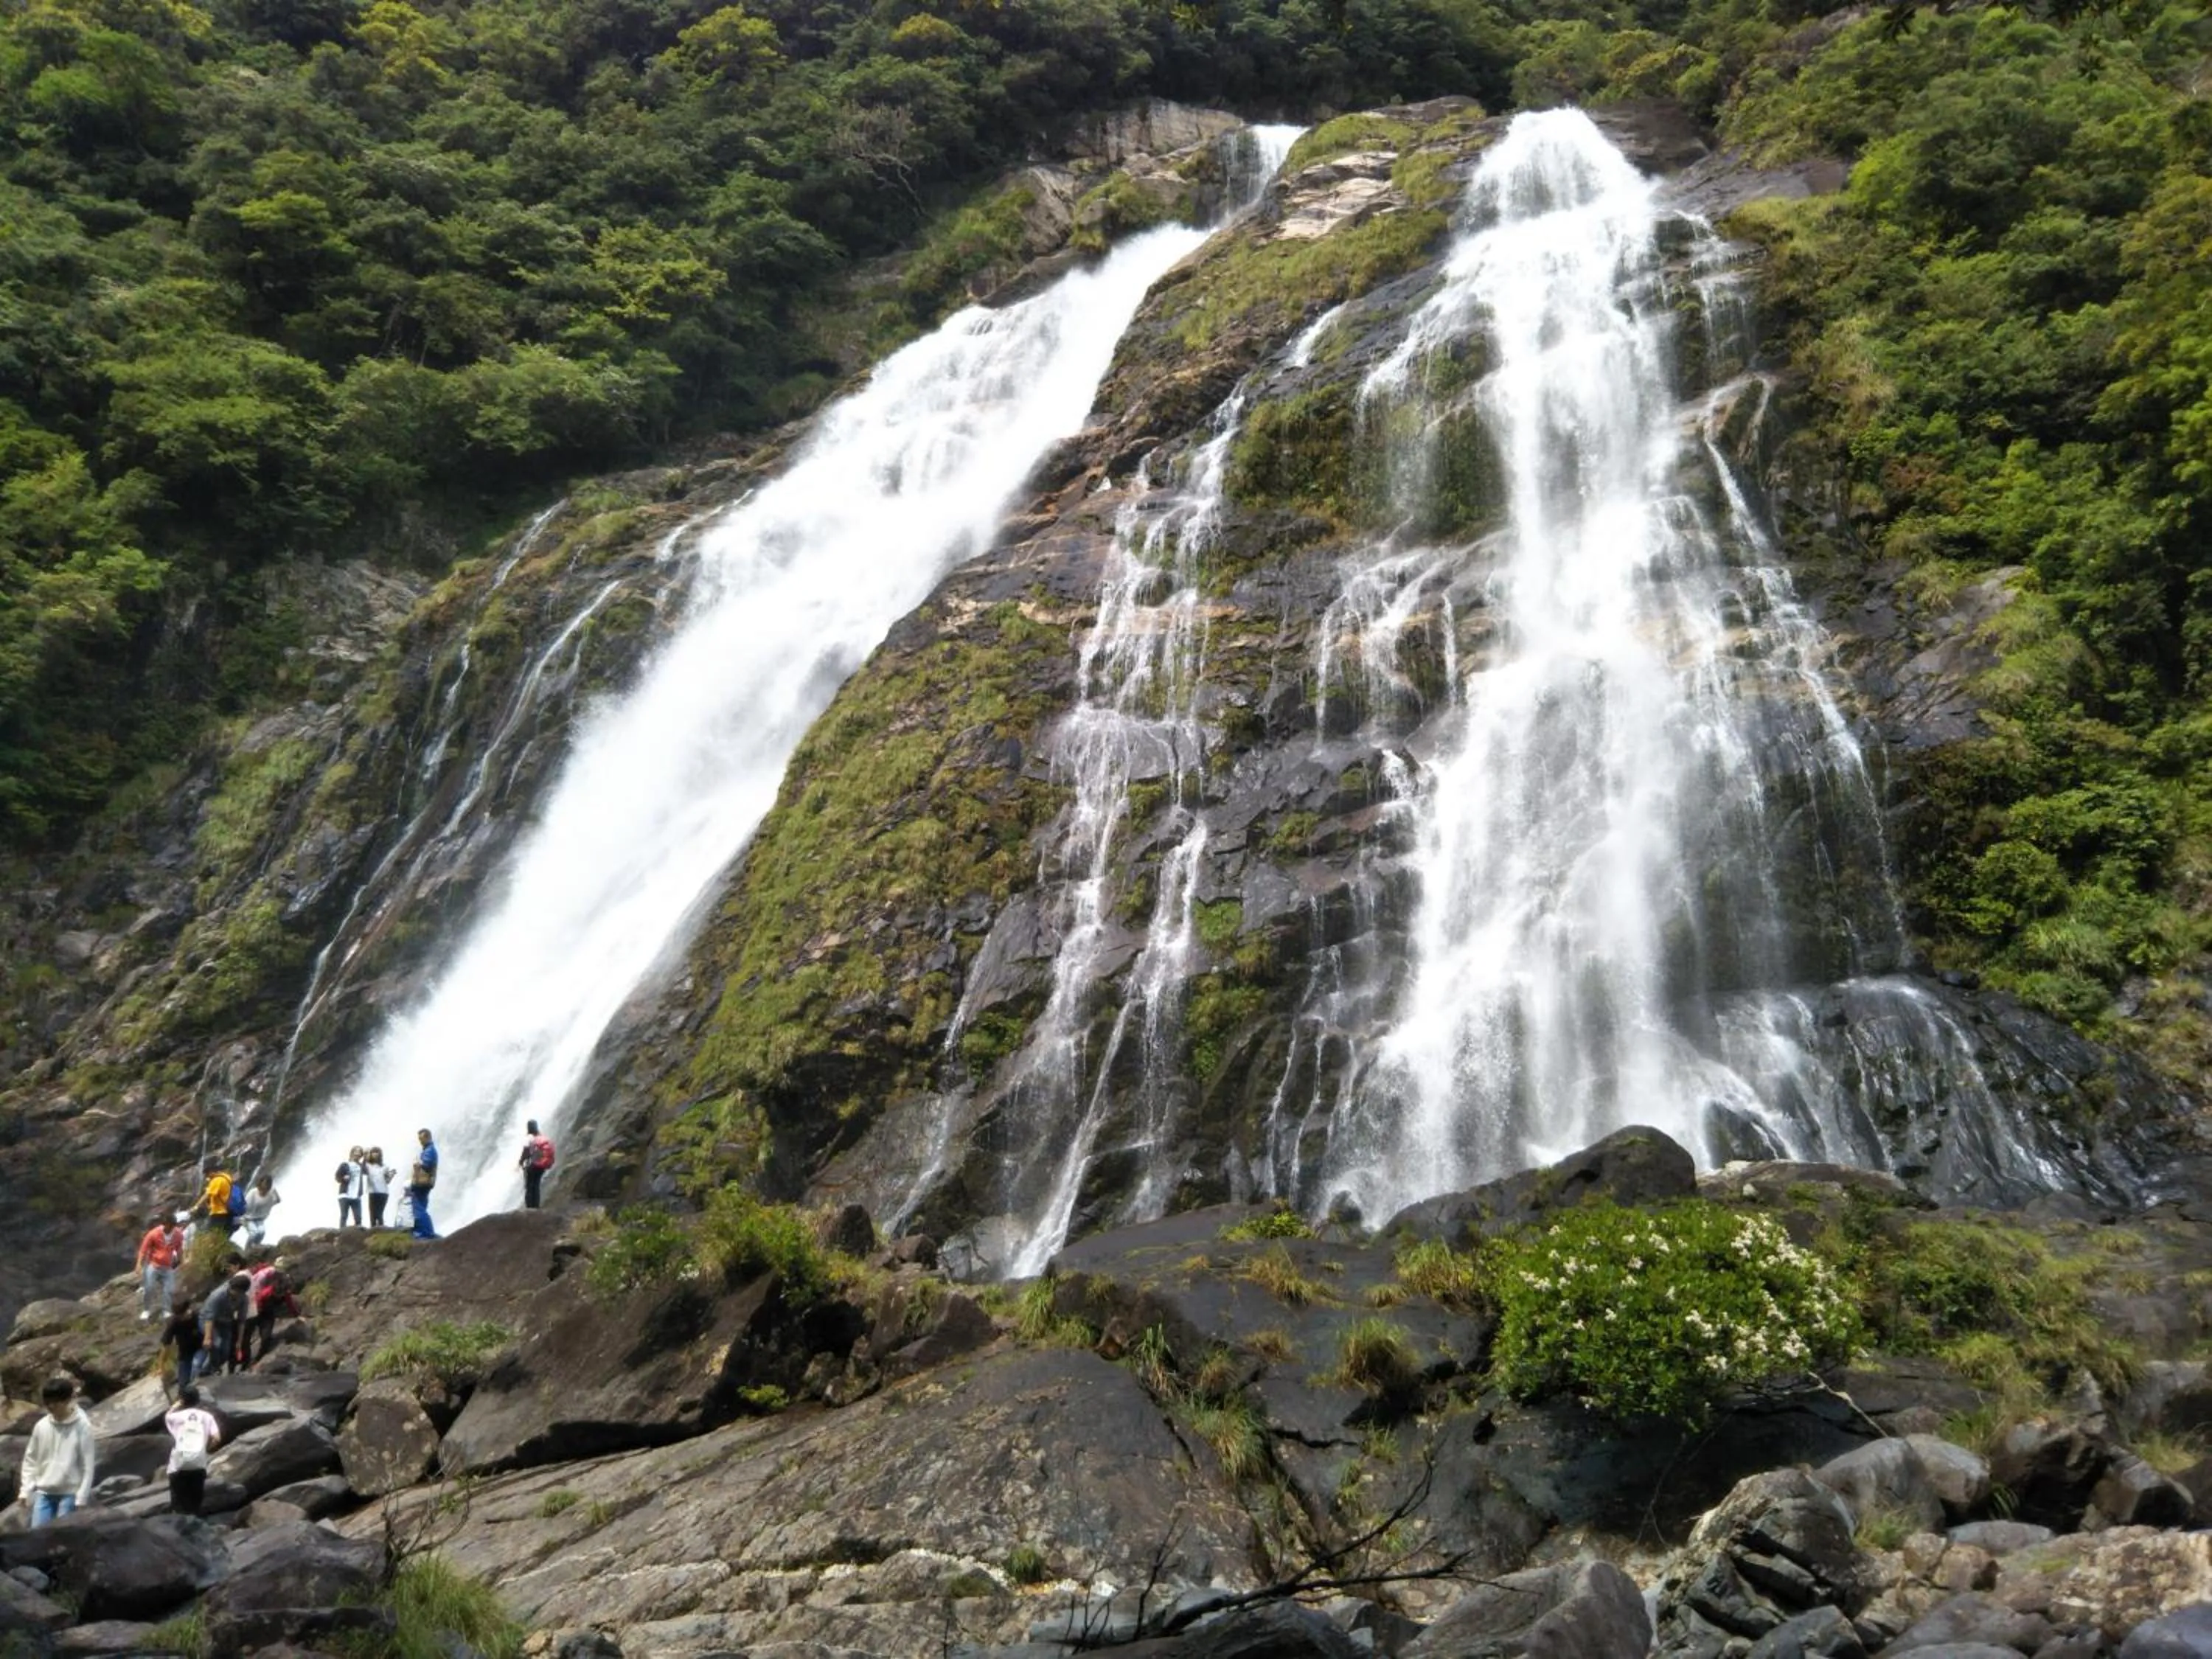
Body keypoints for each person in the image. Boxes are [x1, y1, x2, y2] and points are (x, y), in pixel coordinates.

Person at [18, 1377, 94, 1527]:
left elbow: (88, 1465)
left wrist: (82, 1497)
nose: (51, 1406)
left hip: (70, 1493)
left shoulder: (82, 1426)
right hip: (44, 1492)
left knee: (62, 1536)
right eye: (48, 1402)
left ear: (68, 1400)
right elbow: (31, 1460)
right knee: (37, 1535)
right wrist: (25, 1490)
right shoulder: (41, 1426)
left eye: (56, 1402)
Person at [163, 1384, 222, 1516]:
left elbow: (167, 1416)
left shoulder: (176, 1417)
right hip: (199, 1463)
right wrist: (207, 1450)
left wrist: (177, 1404)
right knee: (195, 1504)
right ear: (198, 1400)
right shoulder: (207, 1416)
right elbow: (217, 1438)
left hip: (178, 1465)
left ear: (183, 1400)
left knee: (178, 1504)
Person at [245, 1256, 298, 1365]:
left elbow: (289, 1302)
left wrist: (296, 1315)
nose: (281, 1295)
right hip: (256, 1308)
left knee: (266, 1337)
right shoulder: (266, 1287)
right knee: (247, 1334)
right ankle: (244, 1360)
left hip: (268, 1311)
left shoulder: (284, 1288)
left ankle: (257, 1359)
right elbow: (257, 1297)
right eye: (279, 1294)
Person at [197, 1272, 251, 1378]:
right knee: (216, 1344)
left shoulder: (244, 1299)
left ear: (242, 1292)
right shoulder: (218, 1295)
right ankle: (210, 1370)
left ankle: (209, 1369)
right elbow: (210, 1317)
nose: (232, 1292)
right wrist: (208, 1337)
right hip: (208, 1321)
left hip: (225, 1322)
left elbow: (241, 1321)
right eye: (232, 1289)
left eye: (236, 1291)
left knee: (226, 1351)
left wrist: (239, 1342)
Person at [135, 1212, 184, 1323]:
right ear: (164, 1224)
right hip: (153, 1265)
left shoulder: (178, 1235)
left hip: (167, 1267)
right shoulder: (154, 1233)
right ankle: (146, 1310)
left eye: (173, 1226)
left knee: (170, 1289)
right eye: (169, 1226)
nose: (171, 1228)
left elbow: (179, 1248)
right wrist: (138, 1264)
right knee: (149, 1288)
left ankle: (166, 1310)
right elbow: (143, 1249)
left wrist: (182, 1262)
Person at [159, 1304, 203, 1393]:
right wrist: (161, 1367)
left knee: (196, 1366)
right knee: (183, 1386)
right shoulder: (174, 1323)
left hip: (200, 1348)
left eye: (184, 1315)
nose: (182, 1318)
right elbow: (166, 1345)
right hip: (185, 1353)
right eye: (180, 1316)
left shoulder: (197, 1316)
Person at [408, 1128, 439, 1240]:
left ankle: (425, 1232)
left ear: (428, 1137)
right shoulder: (429, 1149)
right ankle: (423, 1230)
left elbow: (427, 1164)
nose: (420, 1142)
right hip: (425, 1183)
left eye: (421, 1139)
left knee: (418, 1207)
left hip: (422, 1183)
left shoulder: (430, 1150)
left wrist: (418, 1164)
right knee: (421, 1205)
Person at [518, 1120, 555, 1210]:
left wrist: (520, 1162)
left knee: (529, 1186)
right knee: (536, 1185)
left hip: (532, 1165)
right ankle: (536, 1207)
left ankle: (530, 1208)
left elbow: (526, 1152)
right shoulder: (542, 1137)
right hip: (542, 1166)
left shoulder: (530, 1138)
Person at [199, 1160, 237, 1239]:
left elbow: (207, 1195)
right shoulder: (226, 1176)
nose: (207, 1177)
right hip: (228, 1210)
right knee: (221, 1234)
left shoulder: (217, 1180)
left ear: (211, 1172)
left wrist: (196, 1207)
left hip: (219, 1212)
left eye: (207, 1175)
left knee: (212, 1234)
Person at [241, 1174, 280, 1248]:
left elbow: (277, 1200)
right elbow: (245, 1206)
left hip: (259, 1219)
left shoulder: (270, 1195)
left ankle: (255, 1247)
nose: (265, 1186)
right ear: (260, 1183)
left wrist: (275, 1190)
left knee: (262, 1232)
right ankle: (247, 1249)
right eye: (264, 1184)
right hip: (248, 1218)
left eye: (268, 1184)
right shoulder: (253, 1193)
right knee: (254, 1233)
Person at [364, 1147, 392, 1228]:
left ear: (380, 1154)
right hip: (373, 1192)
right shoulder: (368, 1165)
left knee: (379, 1213)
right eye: (373, 1152)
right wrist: (365, 1156)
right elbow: (363, 1170)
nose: (375, 1154)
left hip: (383, 1192)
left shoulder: (385, 1166)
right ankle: (373, 1230)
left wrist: (392, 1175)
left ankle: (381, 1230)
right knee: (372, 1214)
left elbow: (387, 1181)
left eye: (377, 1152)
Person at [337, 1147, 364, 1228]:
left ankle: (358, 1233)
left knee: (358, 1218)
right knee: (344, 1216)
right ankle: (341, 1232)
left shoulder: (361, 1166)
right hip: (345, 1195)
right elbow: (337, 1177)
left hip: (356, 1195)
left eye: (359, 1152)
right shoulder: (345, 1164)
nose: (357, 1154)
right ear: (352, 1153)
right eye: (356, 1151)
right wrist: (343, 1178)